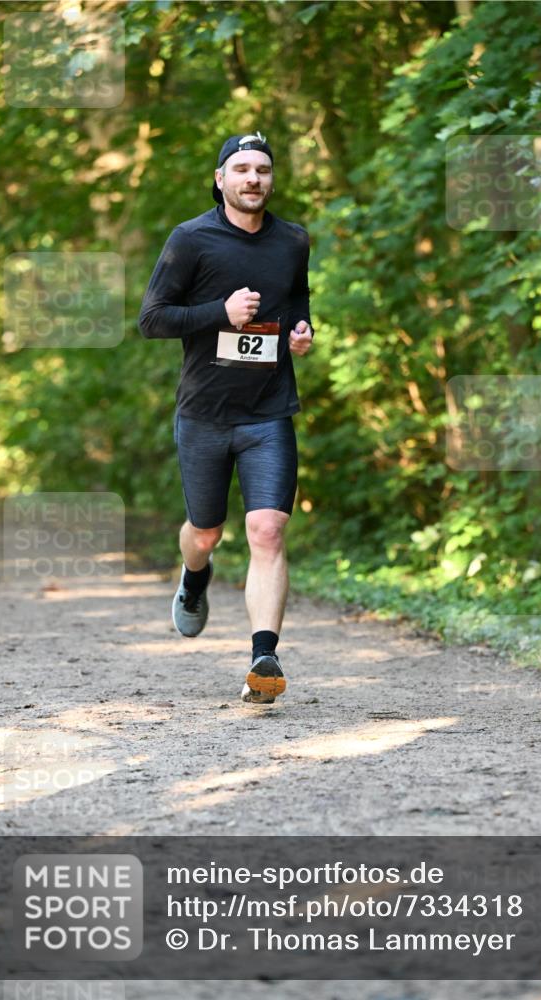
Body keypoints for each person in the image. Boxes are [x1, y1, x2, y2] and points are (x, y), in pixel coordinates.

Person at [138, 132, 313, 705]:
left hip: (268, 413)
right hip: (205, 415)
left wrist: (301, 332)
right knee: (205, 532)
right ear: (221, 179)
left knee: (267, 530)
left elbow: (297, 303)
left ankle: (264, 656)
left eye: (262, 169)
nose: (253, 179)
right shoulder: (190, 240)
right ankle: (195, 577)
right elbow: (152, 320)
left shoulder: (292, 240)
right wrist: (222, 313)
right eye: (241, 168)